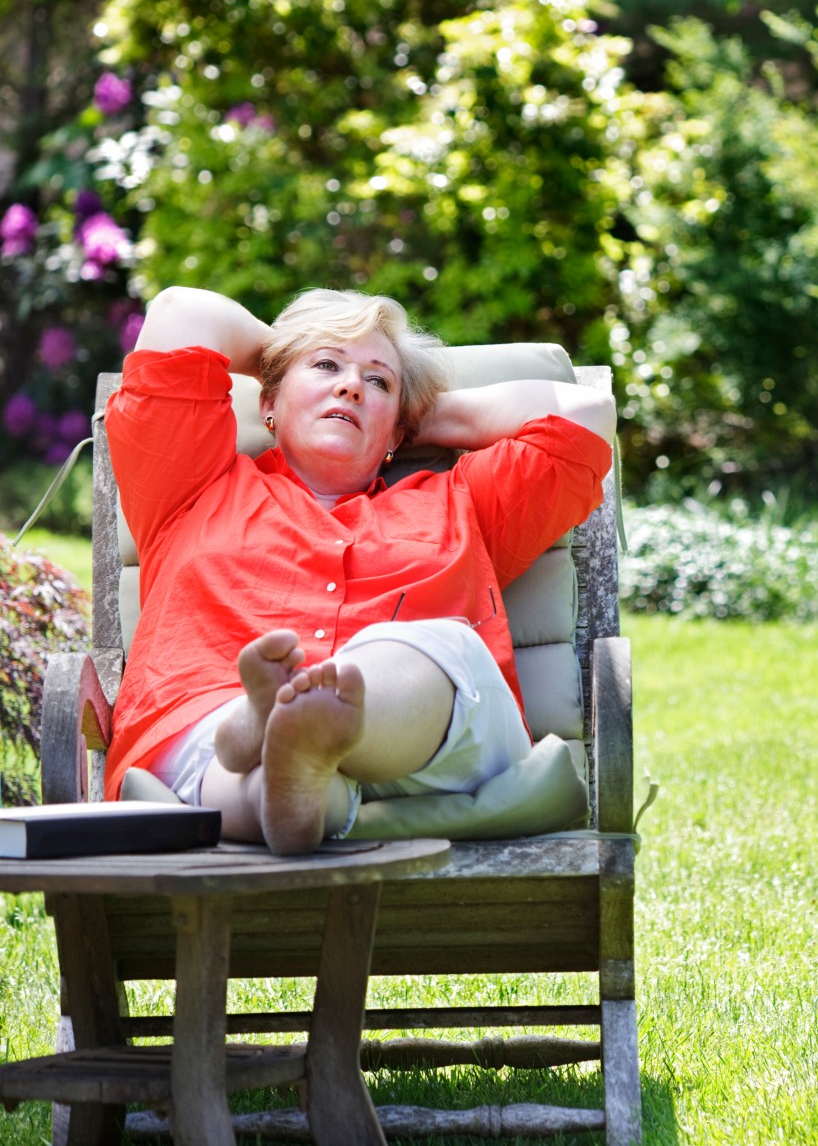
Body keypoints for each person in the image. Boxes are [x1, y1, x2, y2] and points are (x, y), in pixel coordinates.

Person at [105, 285, 614, 854]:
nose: (351, 384)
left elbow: (585, 417)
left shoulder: (463, 503)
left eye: (379, 381)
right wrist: (295, 361)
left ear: (401, 434)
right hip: (213, 719)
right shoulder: (192, 485)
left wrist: (417, 410)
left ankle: (297, 725)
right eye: (325, 365)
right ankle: (291, 785)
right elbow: (182, 311)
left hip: (427, 742)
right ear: (266, 402)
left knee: (433, 647)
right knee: (216, 745)